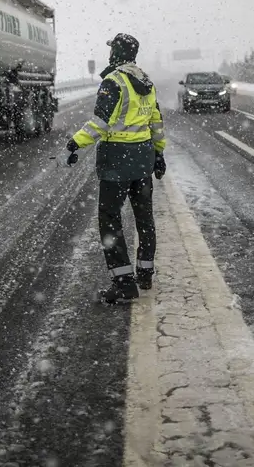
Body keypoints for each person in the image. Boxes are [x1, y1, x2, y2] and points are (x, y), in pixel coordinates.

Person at [66, 33, 167, 304]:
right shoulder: (146, 82)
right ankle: (145, 273)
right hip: (143, 159)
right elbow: (156, 121)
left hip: (117, 161)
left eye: (112, 50)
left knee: (110, 219)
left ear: (116, 54)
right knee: (144, 217)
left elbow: (100, 124)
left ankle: (123, 284)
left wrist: (75, 143)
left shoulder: (113, 82)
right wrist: (159, 153)